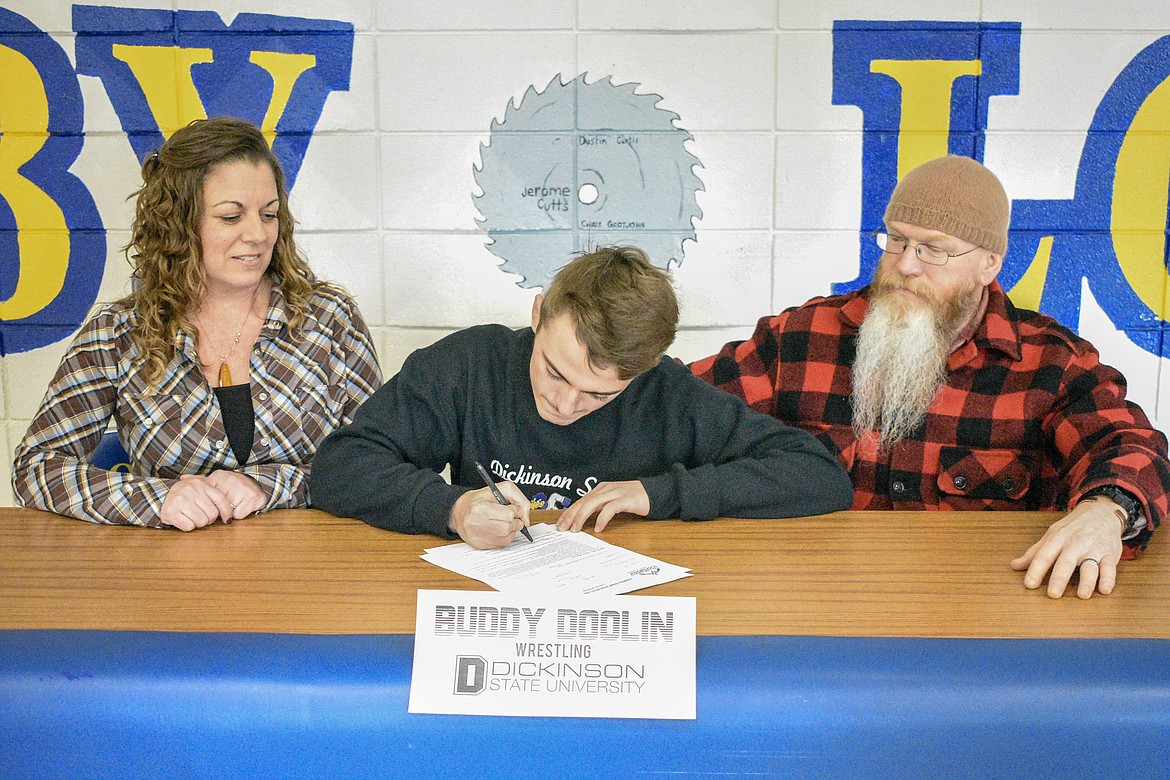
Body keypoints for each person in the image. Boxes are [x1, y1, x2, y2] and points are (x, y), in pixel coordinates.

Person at [691, 155, 1170, 600]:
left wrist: (1105, 511)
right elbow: (675, 405)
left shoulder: (1051, 365)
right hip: (814, 603)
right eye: (896, 240)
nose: (905, 264)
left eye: (933, 250)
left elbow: (1131, 445)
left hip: (972, 618)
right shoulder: (800, 338)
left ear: (988, 264)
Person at [310, 245, 852, 549]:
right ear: (538, 312)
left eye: (598, 395)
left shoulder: (668, 394)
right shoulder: (470, 365)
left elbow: (818, 475)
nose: (565, 405)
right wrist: (451, 507)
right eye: (553, 372)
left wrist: (658, 495)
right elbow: (339, 465)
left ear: (639, 374)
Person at [12, 116, 382, 530]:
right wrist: (155, 499)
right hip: (171, 577)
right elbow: (36, 468)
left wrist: (270, 484)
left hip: (311, 569)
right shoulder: (118, 334)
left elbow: (376, 464)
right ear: (178, 225)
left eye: (269, 214)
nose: (258, 235)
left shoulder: (331, 319)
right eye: (230, 217)